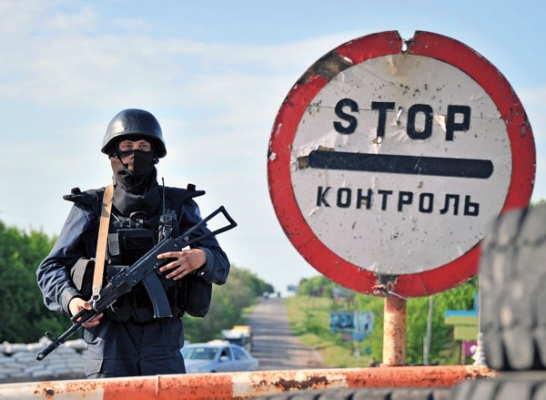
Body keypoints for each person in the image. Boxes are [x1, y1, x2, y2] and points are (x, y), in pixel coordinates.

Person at [36, 108, 230, 378]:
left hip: (163, 343)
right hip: (109, 342)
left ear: (155, 153)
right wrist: (72, 302)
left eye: (143, 146)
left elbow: (221, 264)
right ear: (113, 154)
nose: (134, 154)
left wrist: (201, 258)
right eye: (127, 146)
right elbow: (50, 268)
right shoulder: (91, 207)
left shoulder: (178, 205)